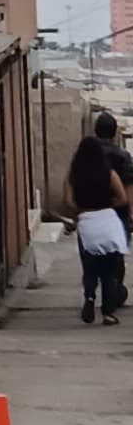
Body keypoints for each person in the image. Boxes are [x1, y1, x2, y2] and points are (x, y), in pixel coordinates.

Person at [66, 105, 132, 327]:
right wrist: (113, 206)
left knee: (89, 265)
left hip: (86, 223)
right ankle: (109, 309)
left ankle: (89, 297)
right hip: (110, 220)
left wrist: (82, 210)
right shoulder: (114, 167)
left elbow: (69, 199)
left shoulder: (76, 170)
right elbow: (125, 196)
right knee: (111, 268)